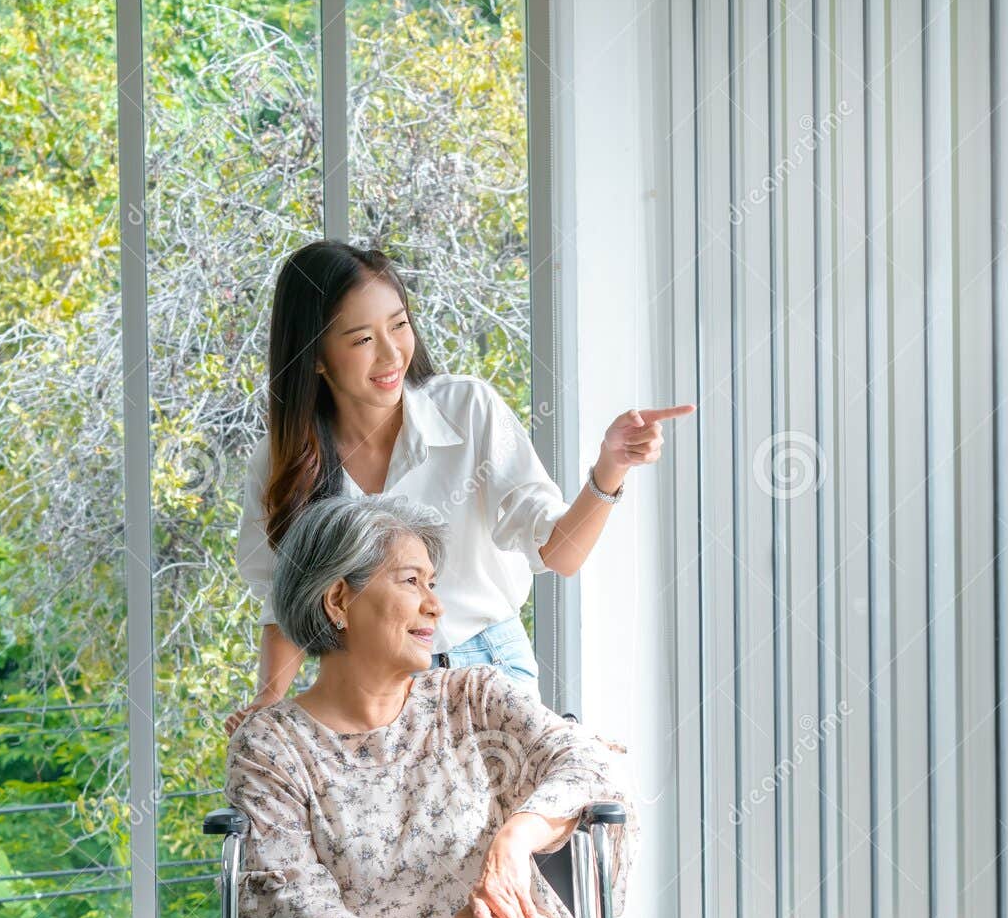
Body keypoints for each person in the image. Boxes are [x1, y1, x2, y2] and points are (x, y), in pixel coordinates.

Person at [225, 492, 637, 918]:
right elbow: (282, 908)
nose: (434, 606)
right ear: (338, 601)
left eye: (433, 584)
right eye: (410, 581)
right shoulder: (271, 745)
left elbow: (595, 767)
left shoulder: (475, 699)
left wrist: (516, 837)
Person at [227, 239, 693, 732]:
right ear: (316, 356)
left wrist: (610, 468)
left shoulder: (468, 411)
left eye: (399, 325)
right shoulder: (286, 461)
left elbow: (561, 554)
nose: (391, 354)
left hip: (487, 672)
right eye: (362, 339)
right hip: (367, 691)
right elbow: (283, 598)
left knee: (515, 812)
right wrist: (270, 703)